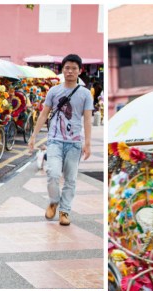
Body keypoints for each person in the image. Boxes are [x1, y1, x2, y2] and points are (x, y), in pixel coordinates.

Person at [28, 54, 93, 227]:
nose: (70, 71)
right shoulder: (54, 91)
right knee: (53, 174)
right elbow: (44, 113)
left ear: (80, 71)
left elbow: (87, 119)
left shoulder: (86, 94)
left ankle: (65, 211)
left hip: (74, 143)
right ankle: (53, 201)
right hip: (55, 140)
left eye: (74, 68)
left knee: (71, 179)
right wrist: (34, 136)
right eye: (67, 68)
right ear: (62, 70)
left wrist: (87, 143)